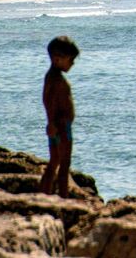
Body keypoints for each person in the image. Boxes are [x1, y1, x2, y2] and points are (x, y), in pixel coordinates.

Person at [40, 36, 79, 198]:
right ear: (57, 59)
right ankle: (64, 197)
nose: (72, 64)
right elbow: (48, 100)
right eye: (70, 60)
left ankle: (44, 194)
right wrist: (51, 122)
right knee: (64, 164)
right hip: (61, 126)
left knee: (54, 162)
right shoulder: (55, 79)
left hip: (57, 125)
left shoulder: (53, 77)